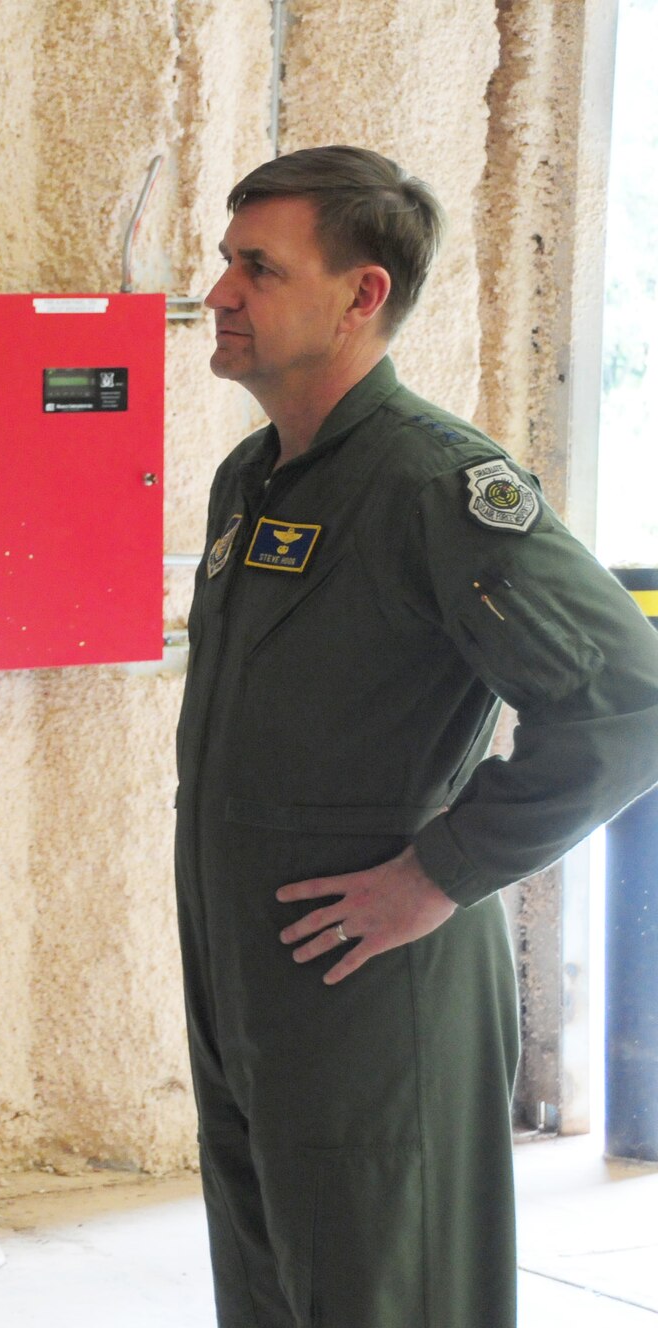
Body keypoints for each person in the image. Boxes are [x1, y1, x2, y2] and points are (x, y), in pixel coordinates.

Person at [176, 144, 658, 1328]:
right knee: (270, 1280)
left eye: (256, 267)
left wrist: (438, 872)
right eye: (224, 261)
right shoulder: (254, 478)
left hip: (374, 978)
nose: (219, 293)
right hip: (246, 963)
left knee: (392, 1292)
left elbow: (626, 700)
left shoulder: (432, 486)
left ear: (360, 295)